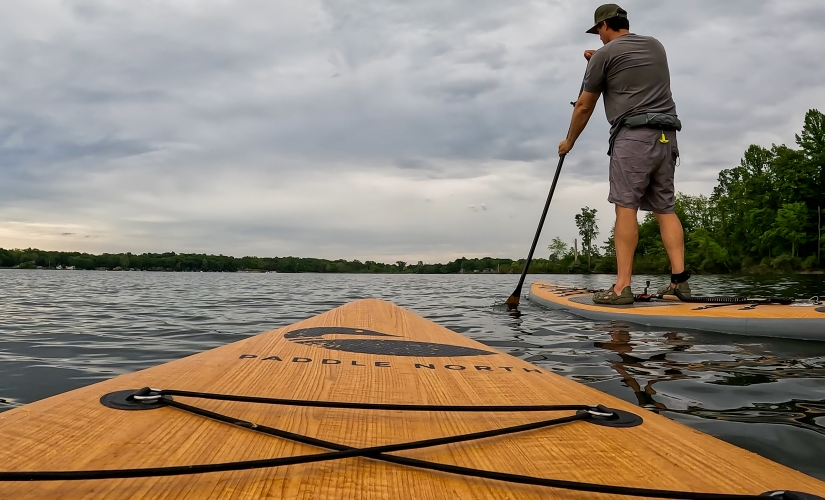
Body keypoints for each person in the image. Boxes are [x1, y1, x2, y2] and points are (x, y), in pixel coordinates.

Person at [557, 4, 691, 305]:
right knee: (665, 208)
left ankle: (621, 288)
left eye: (599, 32)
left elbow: (583, 105)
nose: (599, 38)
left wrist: (569, 141)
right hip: (666, 137)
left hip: (633, 138)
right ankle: (679, 284)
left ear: (605, 25)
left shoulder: (604, 55)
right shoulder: (655, 45)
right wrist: (599, 60)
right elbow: (630, 71)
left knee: (625, 207)